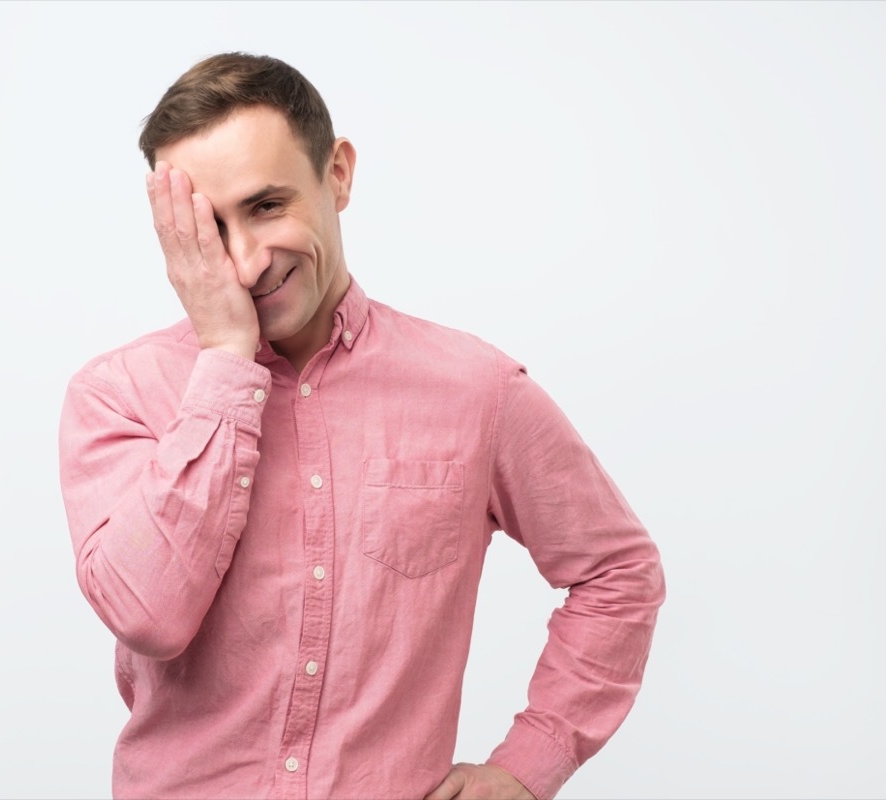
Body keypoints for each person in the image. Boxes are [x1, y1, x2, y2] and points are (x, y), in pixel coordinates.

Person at [58, 52, 665, 800]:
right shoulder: (118, 395)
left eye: (266, 206)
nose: (244, 263)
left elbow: (617, 572)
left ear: (338, 174)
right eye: (209, 229)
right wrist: (226, 360)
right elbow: (148, 615)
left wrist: (529, 765)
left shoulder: (475, 390)